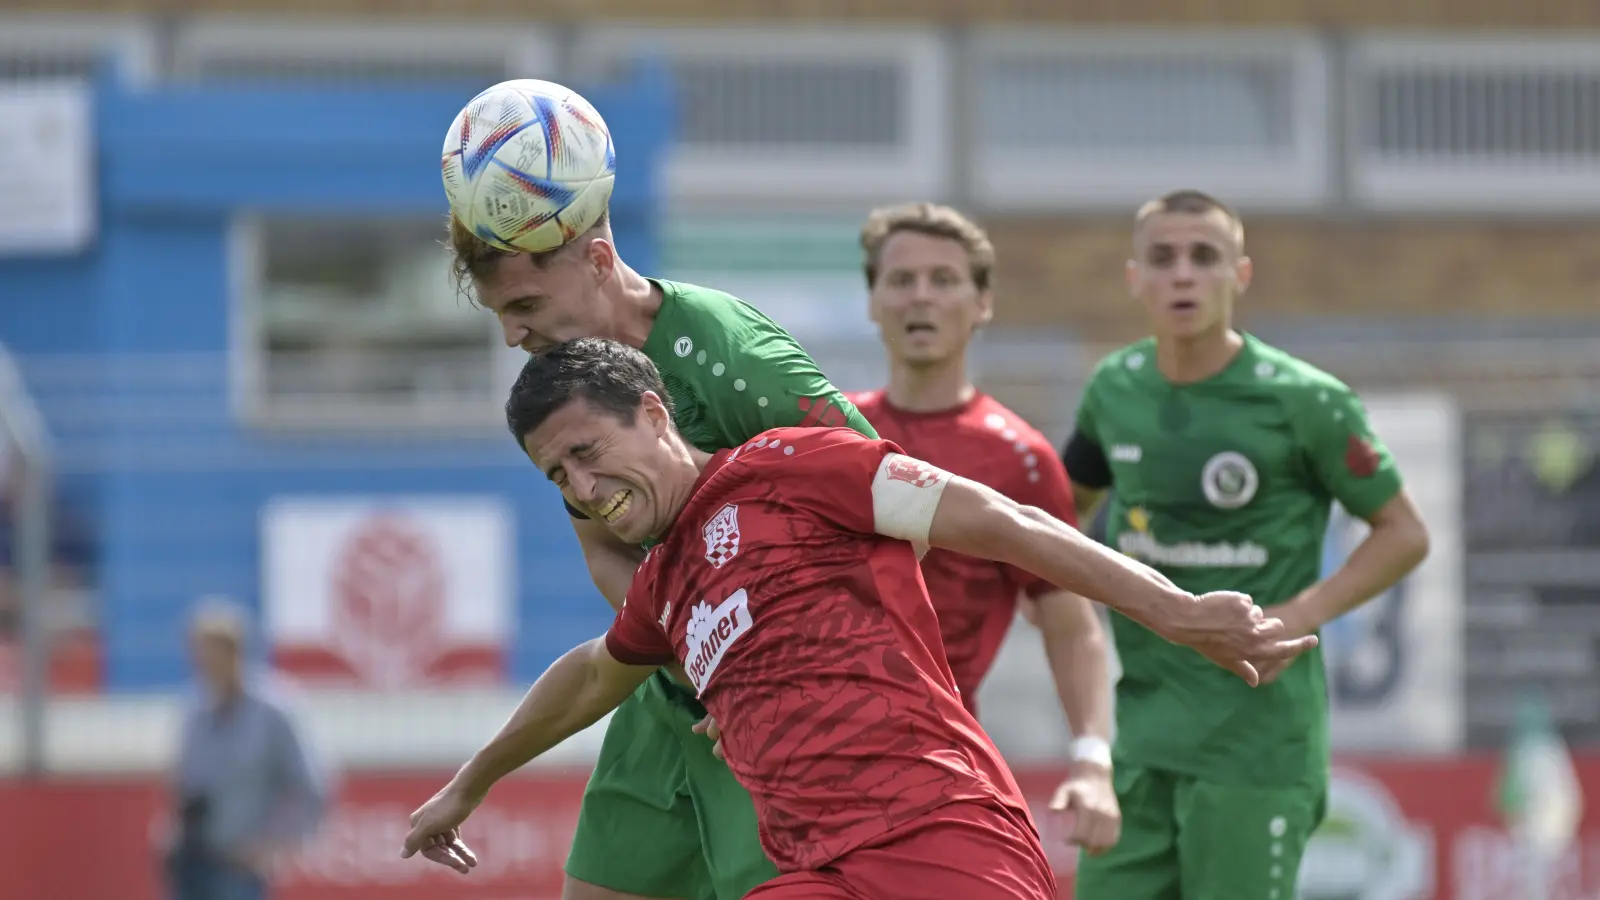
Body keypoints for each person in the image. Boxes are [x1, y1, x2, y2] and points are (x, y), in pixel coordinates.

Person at [400, 338, 1319, 899]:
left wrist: (1178, 612)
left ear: (652, 412)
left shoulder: (792, 465)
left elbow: (1003, 522)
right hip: (813, 873)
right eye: (559, 476)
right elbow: (594, 675)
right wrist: (469, 784)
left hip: (941, 833)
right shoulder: (664, 585)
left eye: (588, 452)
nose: (584, 488)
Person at [447, 212, 876, 900]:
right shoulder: (562, 381)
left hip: (783, 707)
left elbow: (887, 501)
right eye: (500, 313)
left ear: (597, 261)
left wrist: (772, 672)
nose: (512, 334)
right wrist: (697, 656)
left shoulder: (735, 357)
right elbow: (607, 555)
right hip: (673, 693)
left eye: (524, 304)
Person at [1060, 190, 1432, 900]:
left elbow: (1404, 532)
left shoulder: (1305, 400)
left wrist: (1300, 614)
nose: (1183, 274)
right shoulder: (1114, 390)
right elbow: (1060, 514)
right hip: (1140, 740)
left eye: (1204, 257)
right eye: (1163, 258)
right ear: (1134, 277)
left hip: (1254, 745)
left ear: (1241, 274)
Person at [845, 202, 1120, 854]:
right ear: (873, 301)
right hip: (802, 756)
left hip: (938, 763)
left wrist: (1092, 761)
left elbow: (1071, 624)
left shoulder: (1021, 459)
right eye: (902, 279)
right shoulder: (832, 433)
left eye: (944, 279)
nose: (921, 295)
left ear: (983, 303)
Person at [164, 596, 328, 900]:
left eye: (210, 651)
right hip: (191, 861)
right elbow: (182, 784)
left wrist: (273, 844)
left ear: (234, 652)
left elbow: (312, 788)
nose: (202, 661)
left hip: (239, 867)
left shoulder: (273, 711)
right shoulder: (194, 710)